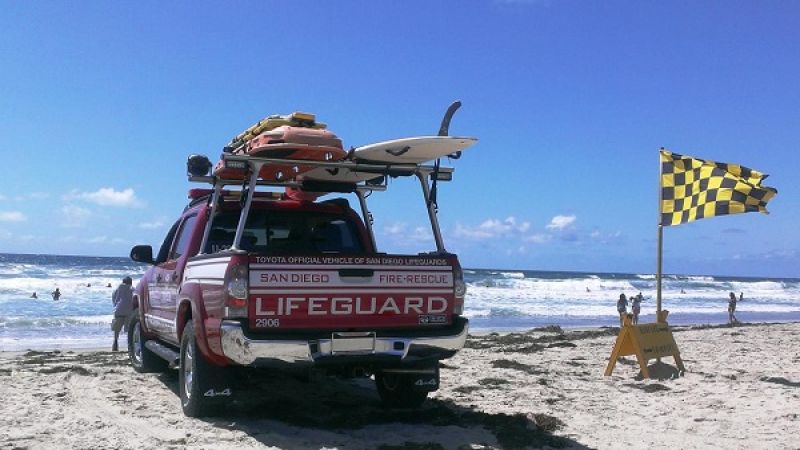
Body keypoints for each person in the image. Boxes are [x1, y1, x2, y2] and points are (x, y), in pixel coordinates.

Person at [111, 276, 135, 351]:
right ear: (130, 282)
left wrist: (116, 307)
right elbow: (135, 299)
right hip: (129, 311)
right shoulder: (132, 289)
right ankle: (130, 345)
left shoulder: (117, 289)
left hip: (119, 311)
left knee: (116, 330)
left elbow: (114, 300)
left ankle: (115, 343)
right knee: (129, 330)